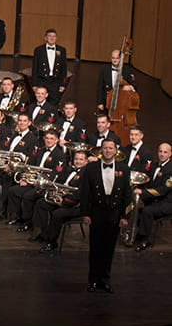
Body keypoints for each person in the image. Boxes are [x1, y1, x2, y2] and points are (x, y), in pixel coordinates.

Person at [78, 139, 132, 292]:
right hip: (97, 211)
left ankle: (105, 280)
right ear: (101, 151)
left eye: (110, 148)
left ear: (115, 150)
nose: (108, 151)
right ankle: (93, 280)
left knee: (109, 248)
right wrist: (85, 214)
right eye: (105, 148)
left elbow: (127, 195)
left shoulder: (124, 168)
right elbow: (85, 193)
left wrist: (125, 216)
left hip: (114, 212)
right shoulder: (91, 168)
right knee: (95, 247)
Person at [132, 142, 172, 252]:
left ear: (170, 154)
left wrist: (143, 193)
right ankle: (140, 233)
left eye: (165, 152)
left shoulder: (170, 169)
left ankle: (146, 239)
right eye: (160, 151)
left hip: (166, 203)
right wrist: (142, 198)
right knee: (136, 208)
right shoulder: (154, 166)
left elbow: (163, 191)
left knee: (147, 211)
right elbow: (148, 183)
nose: (162, 154)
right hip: (155, 200)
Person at [32, 28, 67, 106]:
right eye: (50, 36)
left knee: (54, 105)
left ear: (56, 38)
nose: (52, 38)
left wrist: (63, 84)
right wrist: (34, 84)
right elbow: (35, 68)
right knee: (40, 104)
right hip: (42, 81)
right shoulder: (38, 50)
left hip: (55, 82)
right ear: (45, 38)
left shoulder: (62, 50)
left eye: (54, 36)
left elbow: (64, 68)